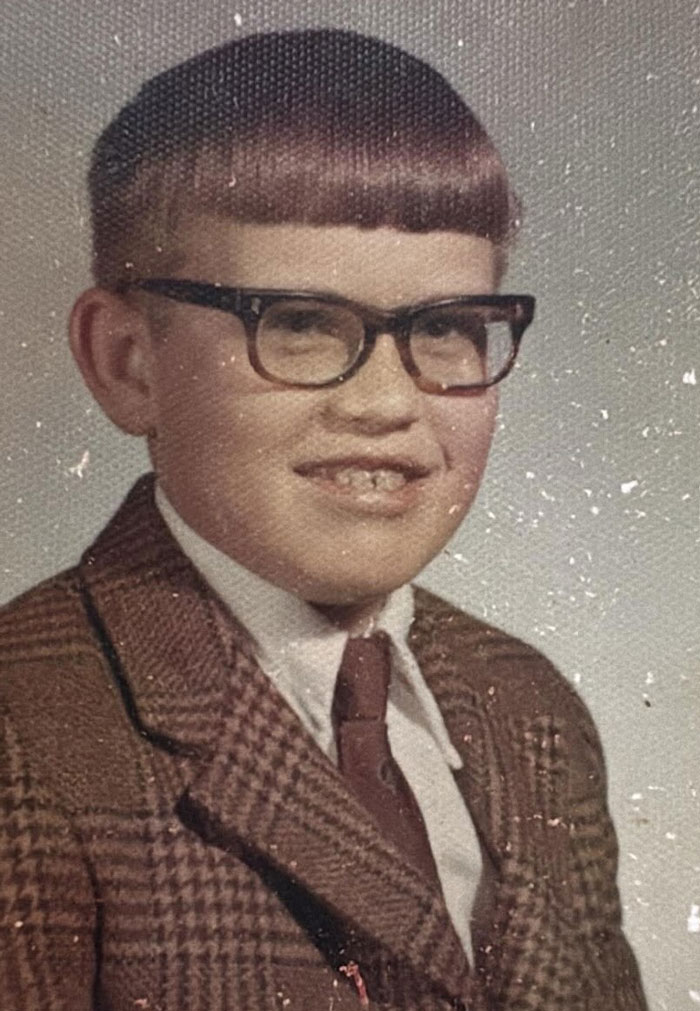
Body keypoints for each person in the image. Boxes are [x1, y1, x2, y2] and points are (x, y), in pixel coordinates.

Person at [0, 28, 647, 1011]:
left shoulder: (530, 708)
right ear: (130, 361)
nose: (385, 405)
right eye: (298, 322)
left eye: (443, 328)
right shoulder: (24, 736)